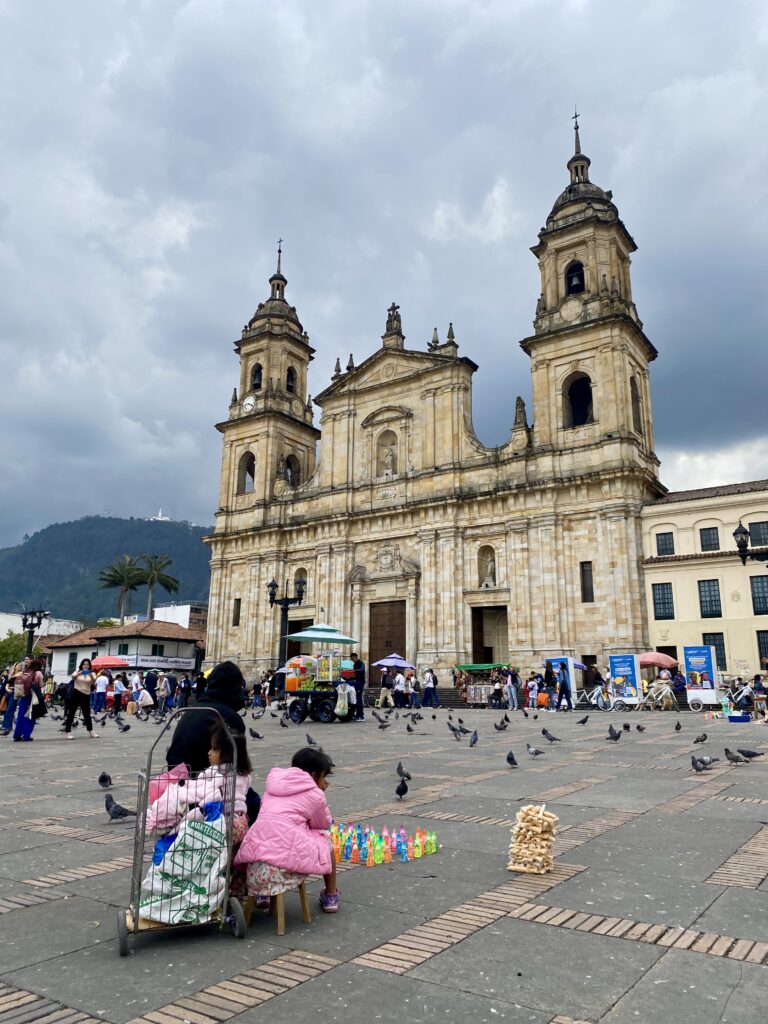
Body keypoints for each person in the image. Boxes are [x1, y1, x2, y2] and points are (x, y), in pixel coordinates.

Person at [235, 746, 339, 914]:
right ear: (313, 775)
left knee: (274, 839)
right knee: (325, 840)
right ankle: (330, 896)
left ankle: (263, 896)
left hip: (255, 863)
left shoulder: (272, 788)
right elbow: (322, 824)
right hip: (283, 864)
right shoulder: (315, 793)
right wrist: (320, 793)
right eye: (323, 776)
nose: (325, 781)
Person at [166, 661, 247, 775]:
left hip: (176, 781)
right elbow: (235, 765)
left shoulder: (191, 710)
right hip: (203, 784)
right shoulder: (228, 718)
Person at [63, 659, 99, 739]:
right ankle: (68, 732)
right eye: (84, 664)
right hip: (76, 693)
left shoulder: (92, 673)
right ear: (81, 665)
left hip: (86, 695)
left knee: (87, 714)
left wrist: (91, 677)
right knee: (71, 713)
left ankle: (91, 731)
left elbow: (94, 683)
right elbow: (72, 677)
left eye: (87, 664)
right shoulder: (77, 672)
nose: (86, 666)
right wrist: (79, 673)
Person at [12, 658, 45, 742]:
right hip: (33, 696)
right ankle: (26, 736)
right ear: (39, 665)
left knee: (21, 716)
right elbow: (41, 684)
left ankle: (17, 735)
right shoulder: (38, 673)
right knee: (30, 716)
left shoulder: (25, 672)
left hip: (24, 696)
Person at [351, 653, 366, 721]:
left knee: (359, 699)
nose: (352, 660)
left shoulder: (361, 663)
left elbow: (362, 669)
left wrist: (356, 670)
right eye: (351, 659)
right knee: (356, 699)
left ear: (356, 657)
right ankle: (357, 715)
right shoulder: (354, 664)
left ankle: (361, 716)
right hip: (356, 683)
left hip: (360, 683)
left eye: (353, 658)